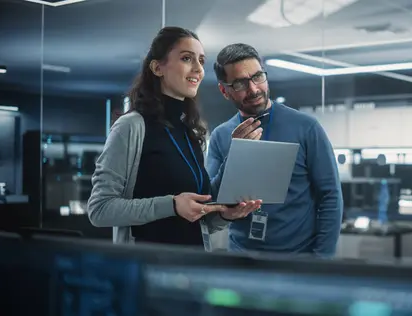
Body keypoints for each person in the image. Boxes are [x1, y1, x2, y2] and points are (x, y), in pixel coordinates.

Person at [87, 27, 261, 248]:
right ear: (157, 67)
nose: (198, 68)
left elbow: (200, 214)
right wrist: (172, 205)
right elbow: (100, 210)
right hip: (147, 268)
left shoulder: (191, 130)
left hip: (191, 267)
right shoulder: (131, 127)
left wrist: (227, 213)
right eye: (187, 58)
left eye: (201, 60)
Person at [207, 43, 343, 257]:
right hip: (242, 258)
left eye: (258, 77)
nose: (254, 89)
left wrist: (321, 259)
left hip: (298, 259)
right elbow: (210, 202)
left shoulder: (307, 127)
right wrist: (236, 154)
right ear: (225, 90)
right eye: (241, 84)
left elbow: (330, 196)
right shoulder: (221, 136)